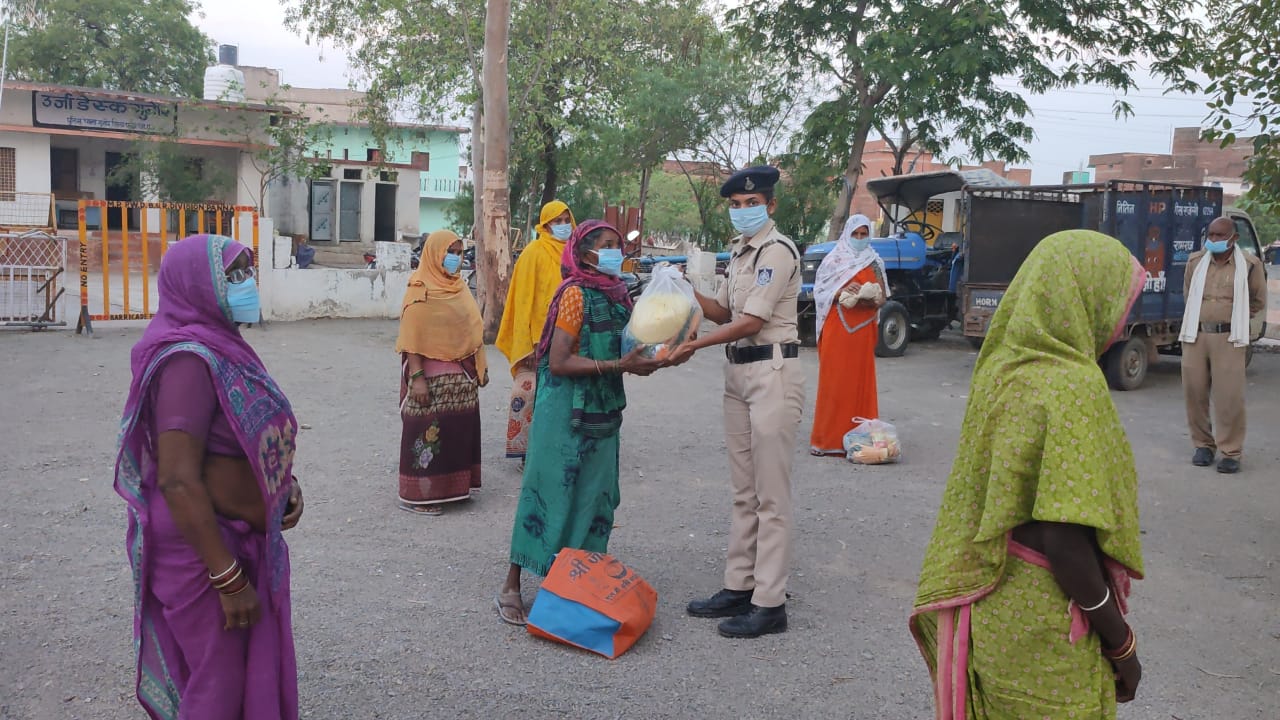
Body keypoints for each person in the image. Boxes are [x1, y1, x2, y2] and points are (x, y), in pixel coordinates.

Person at [910, 230, 1148, 719]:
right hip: (1045, 621)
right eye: (1120, 300)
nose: (1124, 319)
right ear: (1083, 297)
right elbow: (1062, 538)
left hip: (993, 609)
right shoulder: (1071, 386)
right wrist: (1122, 646)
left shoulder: (1002, 369)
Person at [114, 234, 304, 719]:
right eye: (234, 275)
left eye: (247, 272)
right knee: (217, 688)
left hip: (237, 534)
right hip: (205, 550)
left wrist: (284, 486)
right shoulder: (186, 360)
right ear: (201, 285)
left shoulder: (226, 348)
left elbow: (246, 434)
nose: (247, 284)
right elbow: (178, 478)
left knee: (237, 678)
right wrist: (225, 575)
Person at [496, 220, 663, 625]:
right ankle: (512, 585)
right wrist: (616, 365)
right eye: (607, 245)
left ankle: (576, 585)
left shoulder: (618, 294)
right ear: (585, 253)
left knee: (595, 498)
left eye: (618, 245)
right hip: (564, 411)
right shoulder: (574, 294)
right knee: (546, 492)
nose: (614, 251)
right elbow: (559, 361)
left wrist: (661, 355)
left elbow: (632, 346)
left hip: (604, 409)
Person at [668, 166, 805, 639]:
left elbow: (750, 321)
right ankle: (739, 585)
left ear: (771, 205)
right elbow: (724, 311)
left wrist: (692, 346)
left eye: (753, 204)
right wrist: (685, 291)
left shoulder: (777, 251)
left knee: (772, 494)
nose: (743, 211)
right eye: (736, 205)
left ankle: (769, 602)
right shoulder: (741, 253)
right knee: (744, 489)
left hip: (772, 372)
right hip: (739, 374)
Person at [394, 229, 489, 515]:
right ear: (435, 253)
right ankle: (419, 495)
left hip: (462, 376)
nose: (455, 258)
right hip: (430, 378)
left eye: (459, 253)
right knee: (426, 433)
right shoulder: (419, 288)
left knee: (458, 431)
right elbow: (412, 338)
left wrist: (481, 366)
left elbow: (473, 331)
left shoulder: (459, 288)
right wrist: (417, 378)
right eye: (451, 252)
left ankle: (454, 488)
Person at [1179, 216, 1267, 474]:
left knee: (1229, 397)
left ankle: (1231, 451)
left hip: (1230, 337)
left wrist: (1235, 316)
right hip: (1196, 335)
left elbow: (1258, 300)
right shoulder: (1196, 262)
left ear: (1233, 239)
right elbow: (1188, 294)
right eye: (1211, 235)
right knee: (1194, 392)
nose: (1214, 240)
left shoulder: (1250, 265)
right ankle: (1203, 446)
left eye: (1220, 236)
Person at [496, 200, 577, 464]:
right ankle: (529, 456)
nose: (563, 226)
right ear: (545, 224)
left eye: (567, 220)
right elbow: (523, 301)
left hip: (570, 338)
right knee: (538, 398)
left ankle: (559, 449)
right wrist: (527, 344)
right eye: (557, 221)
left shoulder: (576, 254)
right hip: (539, 342)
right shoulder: (534, 253)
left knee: (563, 398)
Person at [808, 213, 888, 456]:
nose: (860, 238)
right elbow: (819, 293)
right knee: (834, 382)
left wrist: (871, 295)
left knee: (860, 384)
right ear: (847, 234)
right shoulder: (834, 260)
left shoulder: (875, 262)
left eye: (864, 234)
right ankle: (827, 440)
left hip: (863, 332)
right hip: (838, 329)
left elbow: (884, 297)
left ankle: (861, 442)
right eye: (856, 234)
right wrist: (842, 290)